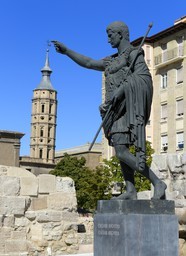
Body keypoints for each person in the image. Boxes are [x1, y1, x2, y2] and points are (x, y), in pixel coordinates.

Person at [52, 21, 167, 200]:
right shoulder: (111, 61)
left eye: (110, 35)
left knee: (121, 151)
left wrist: (121, 91)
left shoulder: (134, 54)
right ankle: (131, 190)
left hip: (126, 110)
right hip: (113, 112)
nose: (108, 40)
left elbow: (143, 78)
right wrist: (67, 52)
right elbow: (89, 63)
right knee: (120, 150)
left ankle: (157, 182)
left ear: (120, 34)